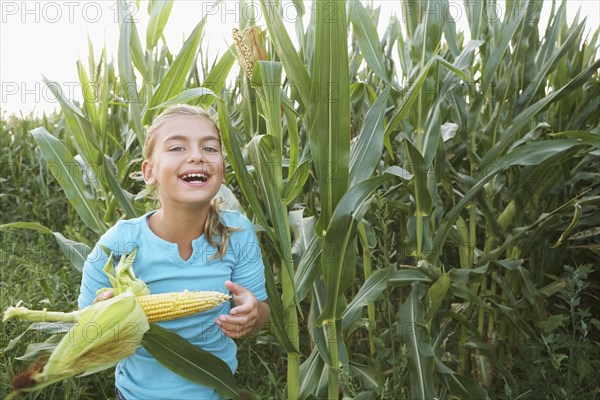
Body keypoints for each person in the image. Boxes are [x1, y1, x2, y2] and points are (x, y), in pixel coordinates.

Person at [77, 104, 270, 400]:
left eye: (209, 147)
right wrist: (104, 319)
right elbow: (85, 337)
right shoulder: (116, 245)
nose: (197, 156)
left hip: (216, 390)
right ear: (149, 172)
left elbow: (262, 315)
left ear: (222, 167)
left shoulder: (238, 234)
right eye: (177, 147)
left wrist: (252, 313)